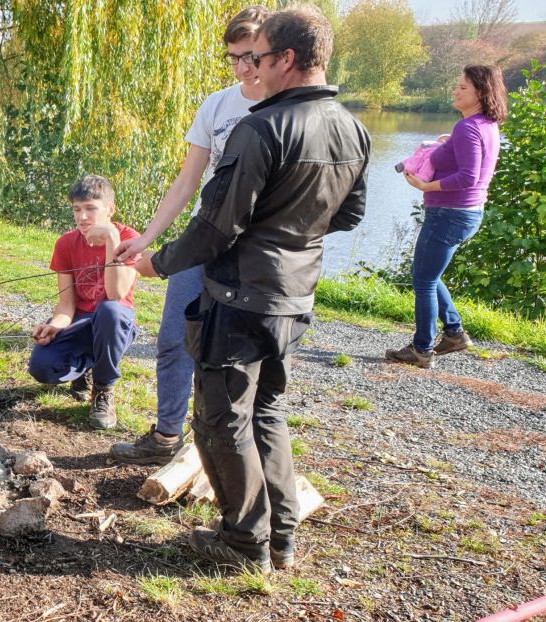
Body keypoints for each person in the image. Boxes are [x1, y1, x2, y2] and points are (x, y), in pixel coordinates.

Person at [135, 5, 369, 573]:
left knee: (221, 419)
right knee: (266, 410)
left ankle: (243, 543)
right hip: (294, 293)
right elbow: (349, 214)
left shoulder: (261, 127)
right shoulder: (352, 127)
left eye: (258, 57)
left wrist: (158, 263)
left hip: (239, 296)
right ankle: (280, 537)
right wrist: (289, 231)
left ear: (286, 58)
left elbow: (217, 226)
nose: (252, 68)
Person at [109, 5, 271, 466]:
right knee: (174, 337)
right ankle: (166, 435)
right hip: (202, 236)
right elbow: (186, 182)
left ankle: (234, 449)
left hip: (253, 250)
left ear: (272, 52)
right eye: (233, 57)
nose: (242, 68)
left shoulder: (283, 107)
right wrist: (147, 239)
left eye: (250, 56)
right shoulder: (217, 105)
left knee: (236, 354)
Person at [386, 65, 507, 369]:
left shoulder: (467, 128)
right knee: (429, 275)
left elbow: (468, 176)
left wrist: (426, 186)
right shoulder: (485, 125)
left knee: (423, 279)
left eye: (463, 87)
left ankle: (422, 349)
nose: (455, 91)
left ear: (481, 93)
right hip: (467, 213)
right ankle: (454, 334)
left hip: (449, 214)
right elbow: (470, 160)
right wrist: (448, 144)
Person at [27, 175, 141, 430]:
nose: (82, 217)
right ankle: (84, 369)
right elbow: (67, 303)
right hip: (80, 322)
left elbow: (115, 293)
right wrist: (56, 325)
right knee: (41, 368)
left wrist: (111, 238)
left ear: (110, 209)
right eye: (77, 209)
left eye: (90, 208)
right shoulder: (66, 243)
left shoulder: (128, 237)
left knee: (110, 310)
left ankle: (103, 389)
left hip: (115, 323)